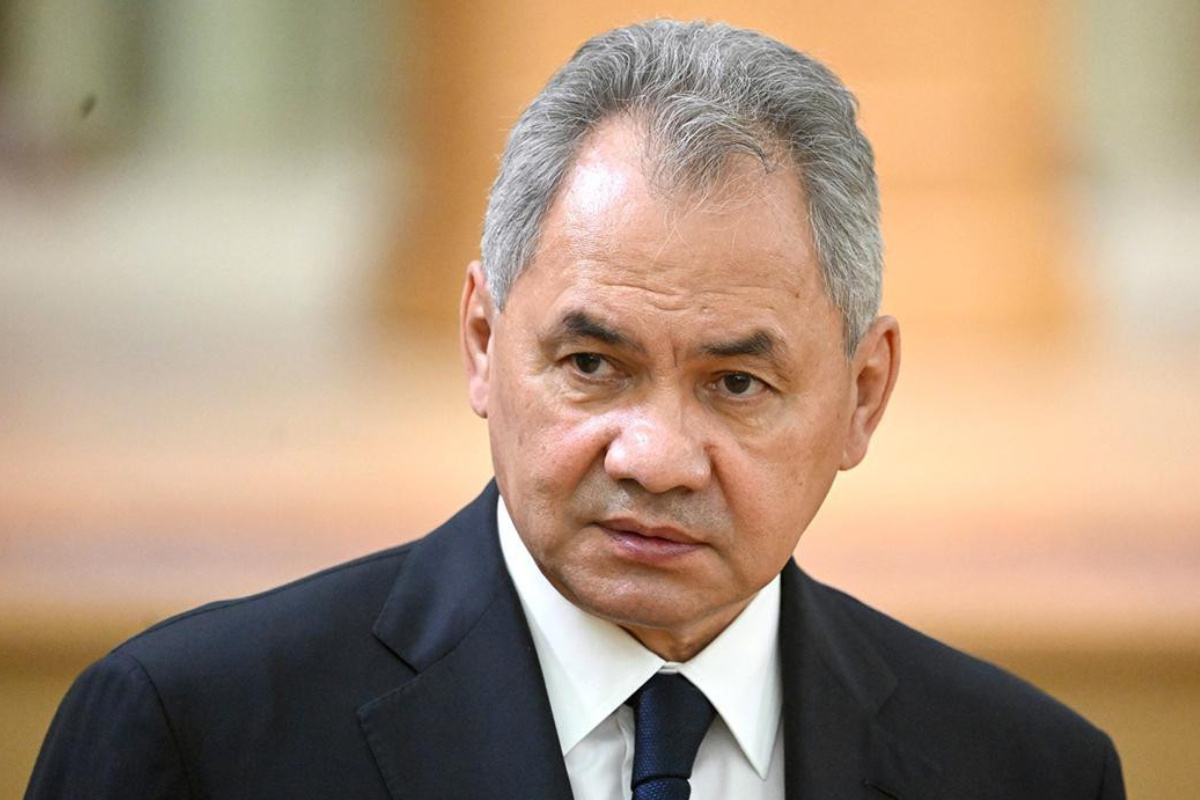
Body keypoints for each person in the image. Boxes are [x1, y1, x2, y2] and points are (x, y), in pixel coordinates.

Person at [26, 19, 1124, 800]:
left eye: (736, 384)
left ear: (863, 396)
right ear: (482, 341)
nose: (654, 456)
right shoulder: (193, 738)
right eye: (594, 363)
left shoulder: (1028, 773)